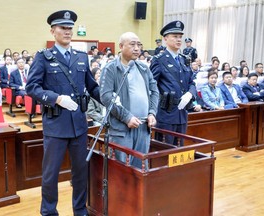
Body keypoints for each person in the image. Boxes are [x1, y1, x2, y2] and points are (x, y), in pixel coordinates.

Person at [26, 10, 100, 216]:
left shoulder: (81, 57)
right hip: (56, 125)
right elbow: (32, 87)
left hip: (79, 125)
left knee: (80, 173)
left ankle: (79, 210)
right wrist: (56, 98)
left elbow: (92, 87)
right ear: (53, 31)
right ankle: (49, 212)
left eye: (70, 28)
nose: (67, 32)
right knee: (50, 175)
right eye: (62, 28)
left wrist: (109, 98)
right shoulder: (43, 57)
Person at [100, 32, 159, 168]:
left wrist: (152, 113)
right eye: (132, 44)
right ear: (121, 46)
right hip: (122, 130)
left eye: (139, 45)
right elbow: (106, 96)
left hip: (144, 127)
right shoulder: (111, 69)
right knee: (123, 170)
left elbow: (155, 91)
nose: (137, 48)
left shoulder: (143, 68)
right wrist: (127, 117)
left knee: (141, 169)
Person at [150, 20, 196, 146]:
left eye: (180, 37)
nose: (178, 40)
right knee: (165, 151)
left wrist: (190, 94)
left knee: (179, 149)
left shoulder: (184, 59)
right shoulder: (159, 60)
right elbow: (151, 86)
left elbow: (191, 82)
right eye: (175, 36)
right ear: (165, 39)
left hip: (182, 112)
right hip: (166, 113)